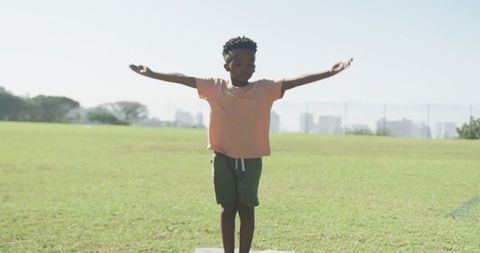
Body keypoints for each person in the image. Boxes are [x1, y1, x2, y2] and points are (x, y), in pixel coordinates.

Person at [130, 36, 352, 253]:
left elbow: (297, 80)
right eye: (239, 63)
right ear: (226, 65)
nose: (246, 68)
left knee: (246, 210)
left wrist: (330, 72)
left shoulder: (265, 89)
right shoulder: (214, 87)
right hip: (222, 158)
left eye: (250, 64)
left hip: (251, 160)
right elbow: (182, 78)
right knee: (227, 209)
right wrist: (151, 74)